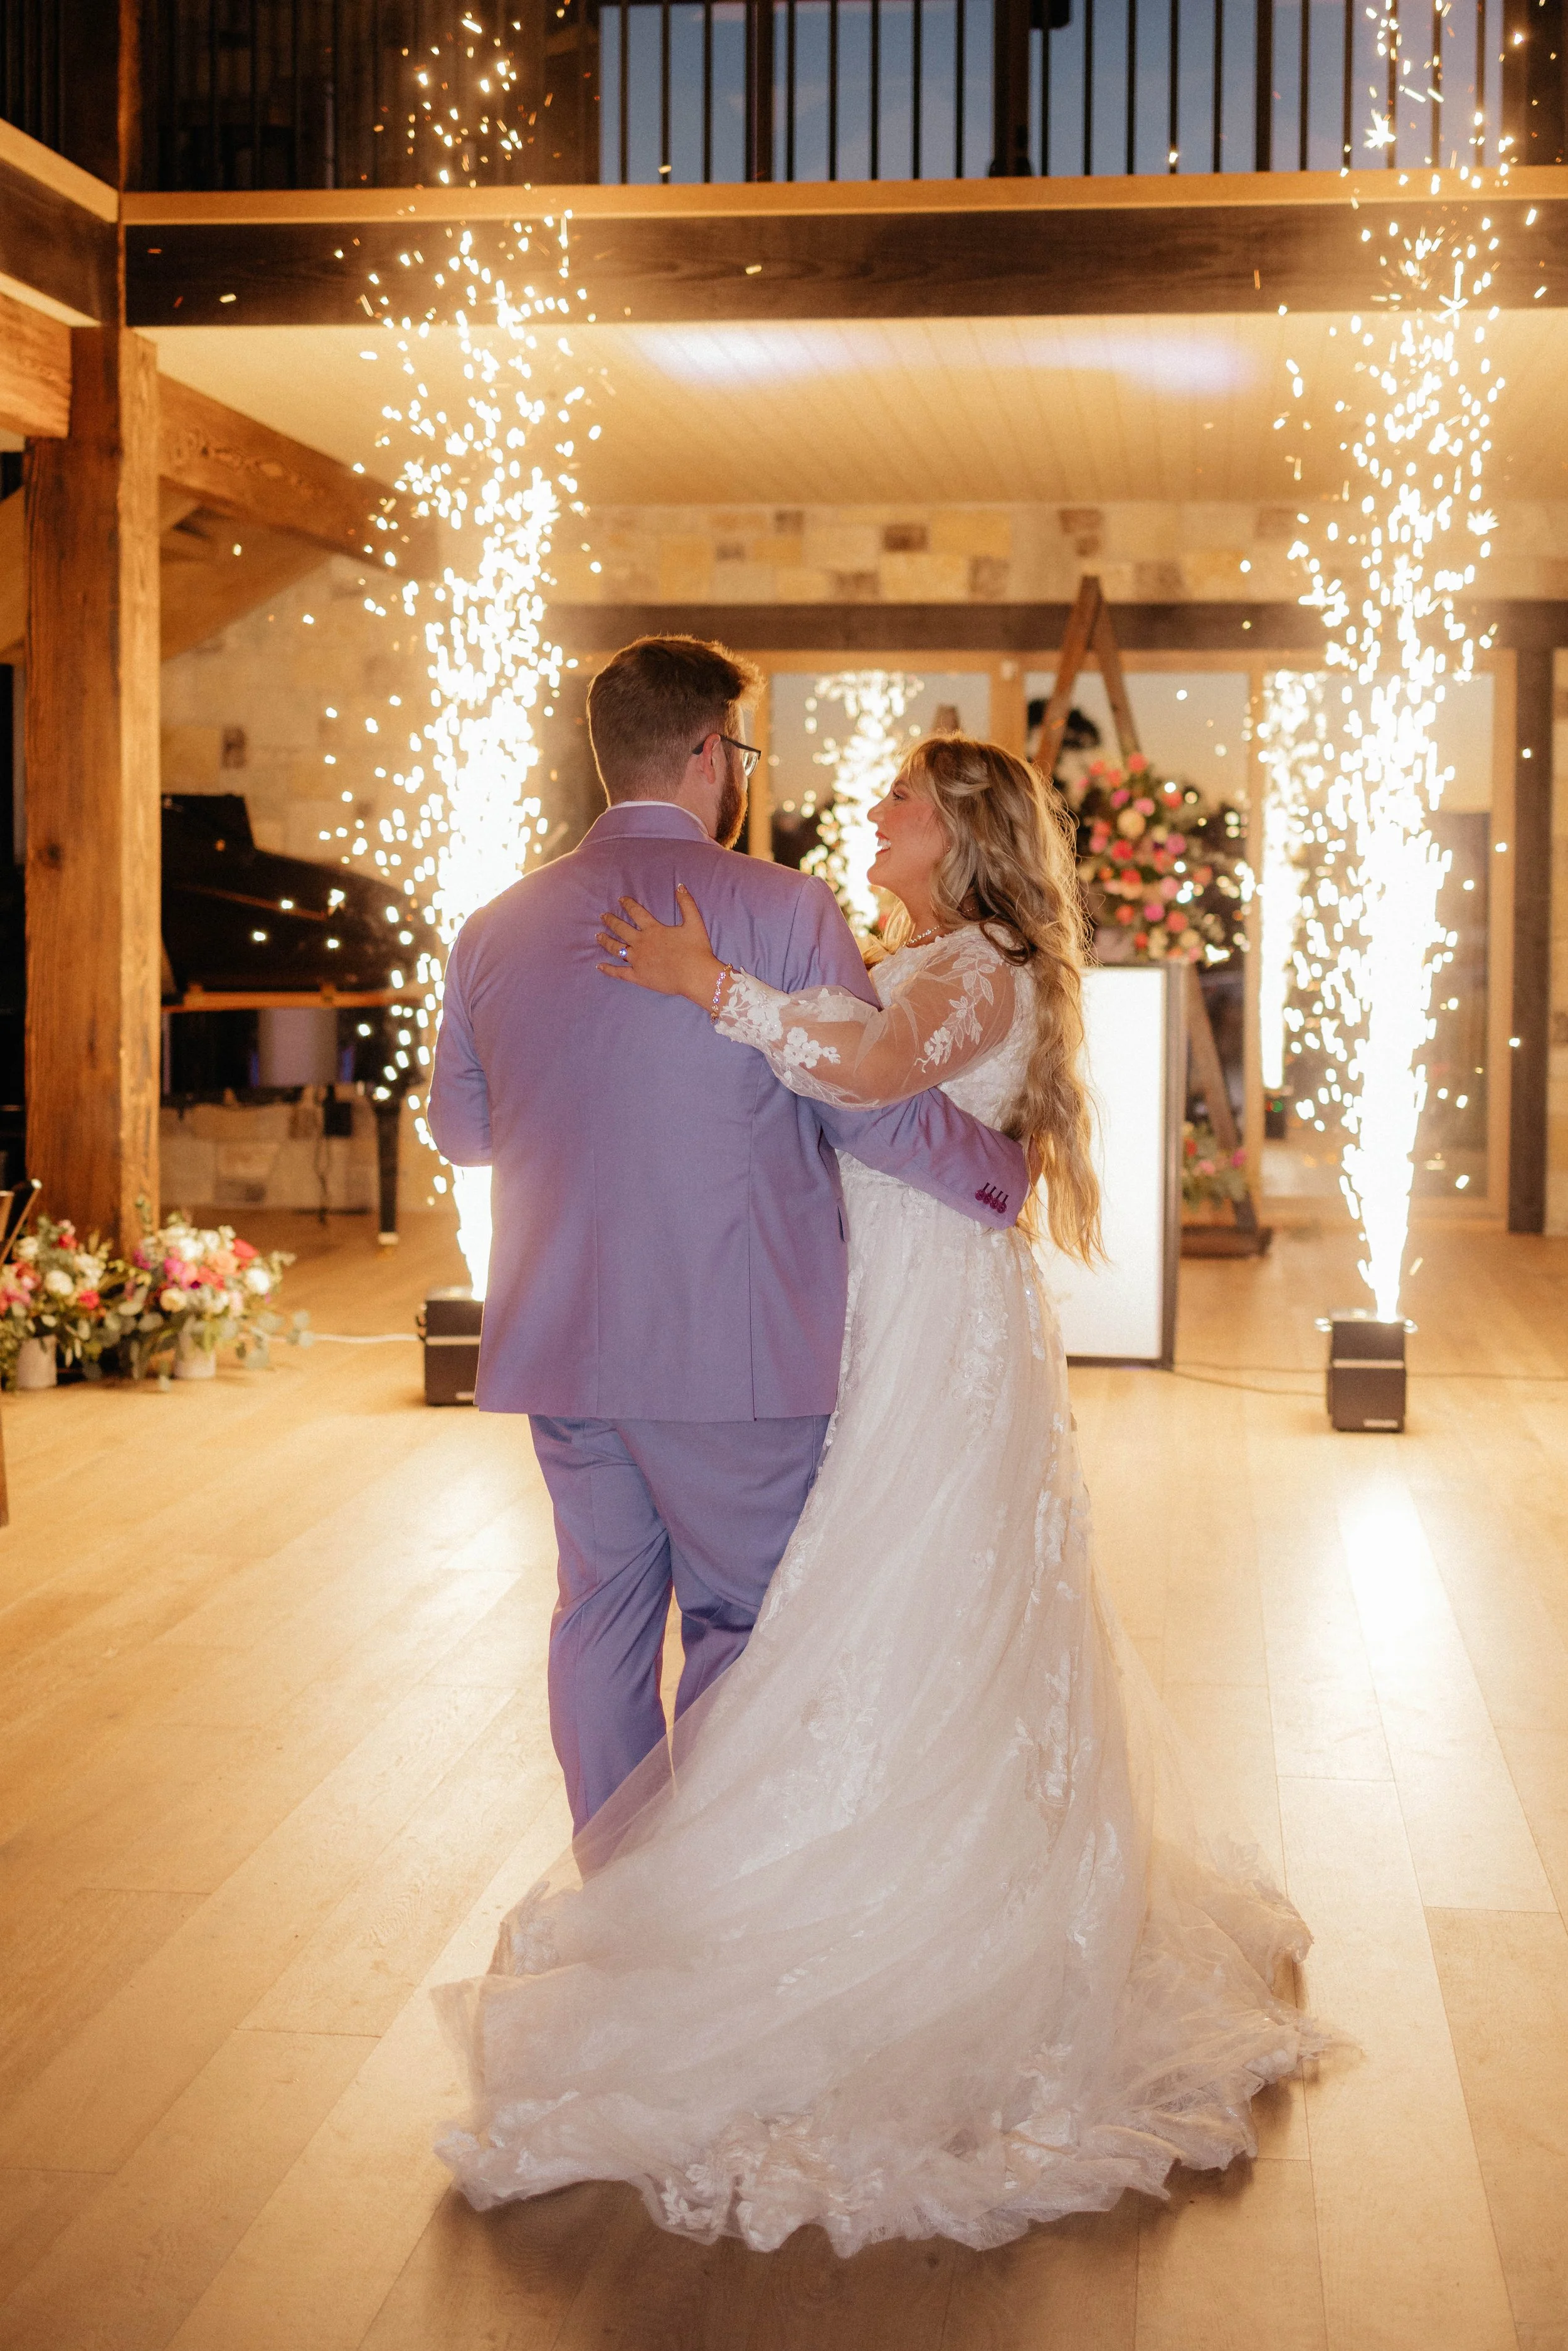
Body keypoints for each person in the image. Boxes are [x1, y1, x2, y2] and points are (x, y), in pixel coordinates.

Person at [433, 732, 1327, 2255]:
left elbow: (851, 1074)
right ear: (703, 751)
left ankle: (786, 1893)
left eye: (905, 798)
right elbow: (882, 1107)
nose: (881, 812)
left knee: (872, 1592)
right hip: (853, 1299)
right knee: (825, 1596)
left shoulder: (973, 962)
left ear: (962, 830)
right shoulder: (902, 945)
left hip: (915, 1317)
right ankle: (726, 1880)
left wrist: (701, 984)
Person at [427, 638, 1029, 1834]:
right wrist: (1000, 1174)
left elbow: (463, 1132)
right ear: (712, 753)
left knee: (596, 1617)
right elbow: (869, 1113)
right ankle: (706, 1911)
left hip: (560, 1343)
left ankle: (615, 1892)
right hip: (732, 1347)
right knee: (746, 1621)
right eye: (741, 751)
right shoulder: (783, 905)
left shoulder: (492, 926)